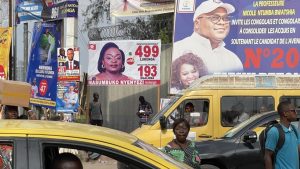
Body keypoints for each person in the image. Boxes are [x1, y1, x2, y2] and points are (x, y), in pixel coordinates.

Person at [173, 0, 243, 74]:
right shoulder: (178, 50)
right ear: (197, 23)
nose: (222, 22)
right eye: (215, 18)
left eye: (225, 18)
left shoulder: (233, 59)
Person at [264, 101, 300, 169]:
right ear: (285, 113)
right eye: (293, 111)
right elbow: (267, 156)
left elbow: (297, 150)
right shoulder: (274, 131)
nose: (296, 113)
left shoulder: (294, 129)